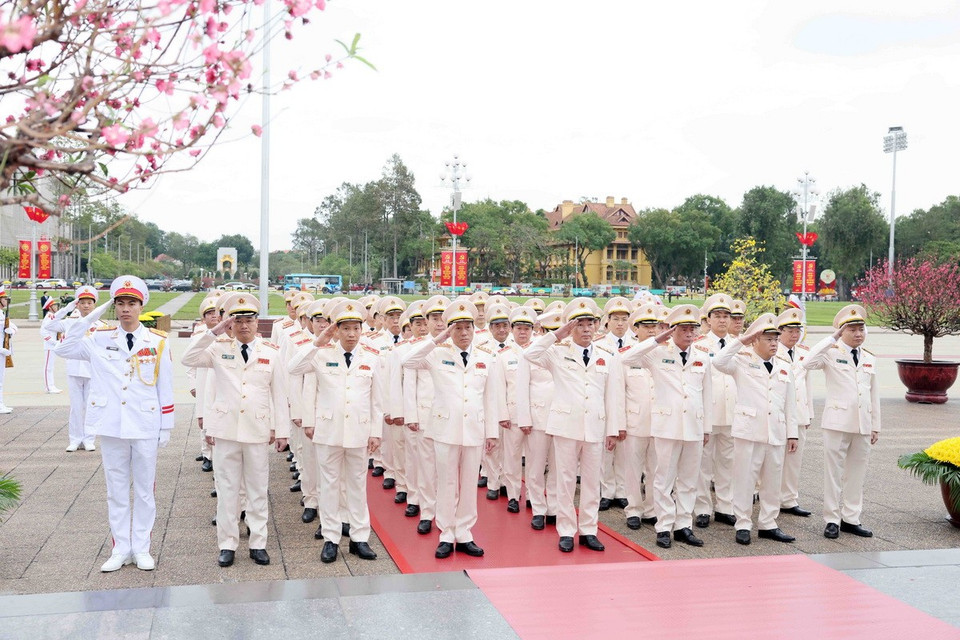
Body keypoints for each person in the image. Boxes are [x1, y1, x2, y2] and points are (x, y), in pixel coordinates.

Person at [54, 276, 174, 572]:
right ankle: (121, 547)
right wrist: (90, 317)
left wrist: (166, 426)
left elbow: (165, 386)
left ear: (141, 305)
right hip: (111, 424)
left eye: (131, 303)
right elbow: (63, 348)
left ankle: (142, 548)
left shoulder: (157, 342)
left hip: (145, 423)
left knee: (145, 490)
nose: (125, 309)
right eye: (119, 303)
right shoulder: (98, 338)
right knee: (116, 490)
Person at [181, 294, 290, 568]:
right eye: (238, 321)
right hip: (226, 429)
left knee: (257, 489)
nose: (244, 326)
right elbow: (188, 357)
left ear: (257, 323)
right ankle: (227, 544)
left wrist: (282, 430)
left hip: (257, 429)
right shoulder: (218, 347)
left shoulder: (271, 352)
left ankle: (258, 543)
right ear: (230, 324)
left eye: (249, 320)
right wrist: (213, 332)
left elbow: (280, 394)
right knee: (227, 489)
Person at [403, 299, 505, 559]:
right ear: (449, 330)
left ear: (474, 329)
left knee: (469, 483)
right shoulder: (436, 354)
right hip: (445, 428)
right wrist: (437, 339)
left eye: (467, 327)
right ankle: (446, 533)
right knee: (447, 482)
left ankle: (465, 532)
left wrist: (491, 432)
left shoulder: (486, 357)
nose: (463, 333)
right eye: (457, 328)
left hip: (474, 429)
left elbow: (491, 398)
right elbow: (408, 361)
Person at [524, 298, 624, 553]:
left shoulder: (607, 357)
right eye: (580, 324)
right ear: (571, 327)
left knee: (592, 482)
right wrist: (558, 335)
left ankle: (589, 530)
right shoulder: (557, 353)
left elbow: (612, 396)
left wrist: (613, 429)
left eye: (590, 323)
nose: (587, 329)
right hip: (566, 425)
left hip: (594, 426)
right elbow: (529, 353)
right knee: (566, 480)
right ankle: (566, 530)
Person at [289, 300, 383, 563]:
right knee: (329, 487)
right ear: (336, 330)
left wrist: (376, 432)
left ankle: (359, 538)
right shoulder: (321, 354)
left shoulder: (372, 357)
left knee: (356, 486)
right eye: (346, 328)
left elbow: (377, 400)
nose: (352, 334)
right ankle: (331, 538)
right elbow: (294, 368)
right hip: (328, 430)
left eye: (356, 328)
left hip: (359, 431)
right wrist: (318, 341)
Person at [619, 304, 712, 549]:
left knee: (689, 480)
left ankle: (683, 526)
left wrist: (707, 428)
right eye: (684, 329)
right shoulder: (658, 353)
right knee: (663, 479)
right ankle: (663, 526)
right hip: (667, 425)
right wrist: (656, 339)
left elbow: (706, 394)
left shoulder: (702, 357)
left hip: (693, 425)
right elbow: (627, 358)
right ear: (673, 330)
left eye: (693, 328)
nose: (690, 333)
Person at [712, 313, 799, 545]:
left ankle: (768, 523)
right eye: (768, 339)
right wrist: (742, 340)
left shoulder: (784, 367)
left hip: (776, 431)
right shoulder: (741, 360)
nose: (773, 344)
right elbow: (718, 361)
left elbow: (790, 403)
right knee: (744, 479)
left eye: (775, 339)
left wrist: (793, 433)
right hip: (749, 430)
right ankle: (742, 523)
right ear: (755, 341)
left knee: (772, 480)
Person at [803, 304, 880, 540]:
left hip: (862, 424)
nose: (858, 334)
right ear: (841, 331)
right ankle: (831, 519)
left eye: (861, 329)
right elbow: (806, 361)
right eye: (853, 329)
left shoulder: (868, 357)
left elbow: (873, 393)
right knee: (833, 473)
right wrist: (831, 338)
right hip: (837, 422)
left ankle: (851, 518)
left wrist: (875, 424)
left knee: (857, 473)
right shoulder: (831, 352)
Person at [43, 286, 109, 451]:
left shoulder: (102, 325)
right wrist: (67, 308)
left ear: (94, 305)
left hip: (92, 370)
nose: (86, 306)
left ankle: (89, 438)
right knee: (76, 406)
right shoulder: (70, 321)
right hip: (74, 368)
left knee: (91, 404)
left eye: (89, 302)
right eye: (82, 303)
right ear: (77, 305)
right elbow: (50, 325)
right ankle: (75, 439)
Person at [694, 293, 737, 529]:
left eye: (725, 316)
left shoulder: (738, 345)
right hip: (708, 413)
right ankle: (702, 508)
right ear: (708, 319)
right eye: (717, 316)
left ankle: (724, 507)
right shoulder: (699, 345)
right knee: (704, 465)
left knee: (727, 464)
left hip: (731, 412)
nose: (722, 320)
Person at [516, 308, 560, 530]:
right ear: (542, 330)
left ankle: (553, 507)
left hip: (561, 419)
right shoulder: (530, 352)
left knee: (557, 466)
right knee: (535, 466)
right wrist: (524, 418)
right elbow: (521, 387)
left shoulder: (567, 351)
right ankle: (538, 508)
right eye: (551, 330)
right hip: (538, 417)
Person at [621, 303, 661, 530]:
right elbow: (618, 393)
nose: (651, 330)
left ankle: (652, 509)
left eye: (654, 326)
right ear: (635, 329)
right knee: (633, 469)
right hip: (634, 421)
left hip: (659, 422)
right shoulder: (627, 355)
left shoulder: (665, 354)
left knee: (657, 469)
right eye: (646, 326)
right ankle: (633, 509)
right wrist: (619, 424)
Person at [776, 308, 815, 517]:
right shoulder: (773, 351)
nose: (794, 334)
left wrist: (808, 412)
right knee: (773, 459)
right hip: (778, 414)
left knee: (794, 460)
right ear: (780, 331)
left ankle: (789, 499)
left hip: (798, 413)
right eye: (790, 330)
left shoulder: (804, 353)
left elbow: (807, 384)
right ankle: (768, 496)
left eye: (797, 330)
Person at [597, 297, 634, 511]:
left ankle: (622, 491)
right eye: (616, 319)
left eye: (624, 319)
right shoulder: (599, 345)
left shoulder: (636, 345)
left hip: (628, 404)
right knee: (605, 450)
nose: (620, 324)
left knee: (624, 452)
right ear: (608, 321)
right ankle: (606, 491)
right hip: (604, 403)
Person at [39, 297, 63, 393]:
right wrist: (53, 342)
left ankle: (52, 385)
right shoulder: (49, 317)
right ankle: (49, 387)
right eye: (54, 306)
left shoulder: (53, 316)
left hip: (53, 345)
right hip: (50, 345)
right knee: (48, 367)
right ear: (50, 307)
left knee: (51, 367)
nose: (56, 307)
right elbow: (43, 332)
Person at [0, 285, 14, 414]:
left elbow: (13, 327)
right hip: (0, 351)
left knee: (1, 379)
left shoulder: (2, 313)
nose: (6, 300)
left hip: (3, 351)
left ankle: (1, 403)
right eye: (4, 298)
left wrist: (11, 331)